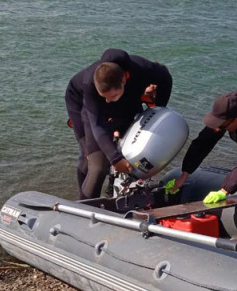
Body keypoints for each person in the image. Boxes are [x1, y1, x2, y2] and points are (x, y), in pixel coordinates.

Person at [65, 49, 172, 199]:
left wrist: (158, 112)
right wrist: (115, 159)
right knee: (96, 163)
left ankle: (124, 196)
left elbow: (165, 78)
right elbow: (96, 125)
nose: (107, 101)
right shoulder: (89, 84)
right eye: (105, 97)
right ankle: (84, 207)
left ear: (124, 79)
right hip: (81, 102)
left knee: (129, 150)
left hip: (127, 96)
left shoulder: (143, 69)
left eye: (111, 96)